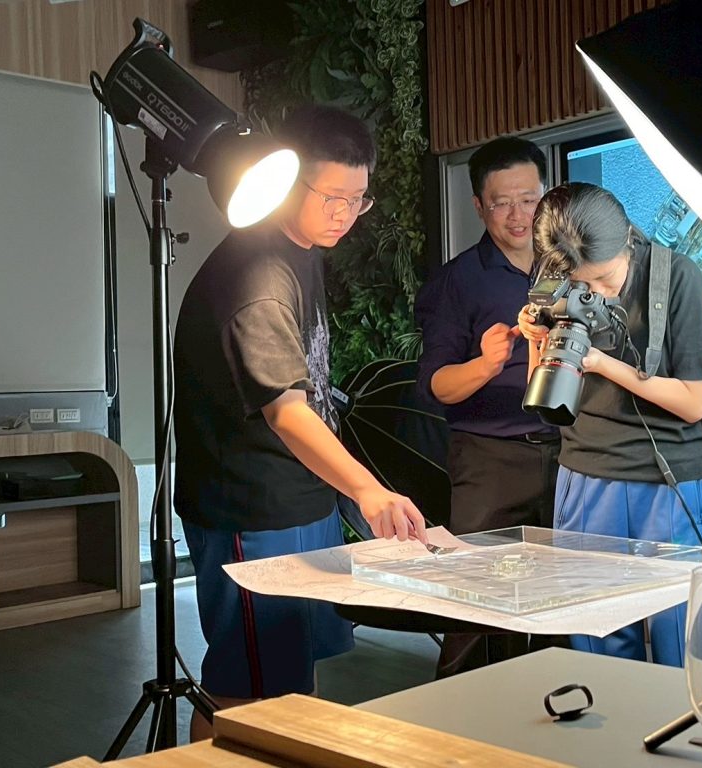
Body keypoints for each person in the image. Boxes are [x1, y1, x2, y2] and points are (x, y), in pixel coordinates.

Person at [173, 104, 427, 739]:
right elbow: (287, 411)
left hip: (302, 497)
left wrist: (345, 491)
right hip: (250, 508)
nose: (344, 214)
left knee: (290, 675)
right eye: (331, 197)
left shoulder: (303, 246)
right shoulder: (256, 275)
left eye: (358, 199)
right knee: (245, 689)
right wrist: (367, 489)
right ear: (288, 179)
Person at [517, 182, 702, 667]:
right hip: (586, 475)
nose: (597, 294)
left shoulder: (677, 277)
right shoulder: (555, 276)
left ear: (627, 238)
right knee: (596, 637)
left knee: (687, 639)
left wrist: (604, 364)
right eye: (583, 286)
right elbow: (543, 393)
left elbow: (693, 404)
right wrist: (534, 338)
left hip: (670, 480)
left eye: (606, 279)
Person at [414, 136, 561, 675]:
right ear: (479, 206)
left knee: (565, 597)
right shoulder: (458, 281)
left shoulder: (572, 266)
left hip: (572, 454)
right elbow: (436, 386)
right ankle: (459, 710)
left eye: (529, 199)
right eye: (502, 203)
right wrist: (484, 363)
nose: (518, 216)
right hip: (490, 459)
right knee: (476, 604)